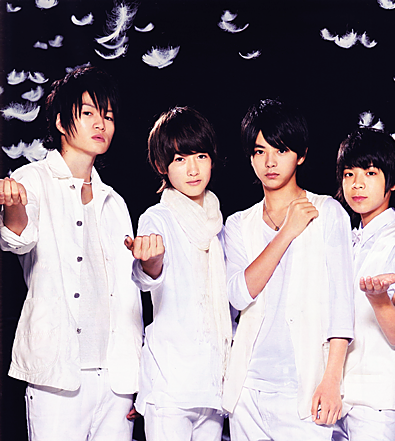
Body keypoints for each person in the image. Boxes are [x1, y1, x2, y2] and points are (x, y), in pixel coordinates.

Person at [0, 66, 143, 440]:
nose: (101, 124)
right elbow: (17, 239)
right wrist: (13, 206)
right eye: (89, 113)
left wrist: (136, 381)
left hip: (116, 381)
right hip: (57, 378)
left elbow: (129, 288)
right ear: (63, 122)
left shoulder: (115, 202)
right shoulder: (32, 180)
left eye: (108, 116)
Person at [222, 99, 354, 440]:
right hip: (247, 390)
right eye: (260, 151)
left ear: (301, 154)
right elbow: (238, 295)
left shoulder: (328, 212)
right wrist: (287, 232)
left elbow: (342, 303)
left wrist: (331, 380)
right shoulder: (238, 224)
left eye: (280, 150)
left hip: (306, 389)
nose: (270, 162)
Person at [124, 107, 232, 441]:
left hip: (213, 385)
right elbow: (147, 276)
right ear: (162, 166)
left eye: (200, 156)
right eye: (180, 159)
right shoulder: (157, 219)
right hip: (171, 384)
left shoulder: (218, 223)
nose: (193, 169)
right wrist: (150, 261)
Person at [332, 128, 395, 441]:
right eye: (349, 174)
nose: (357, 184)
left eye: (370, 173)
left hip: (377, 401)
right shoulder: (346, 240)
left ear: (393, 181)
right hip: (337, 393)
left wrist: (378, 299)